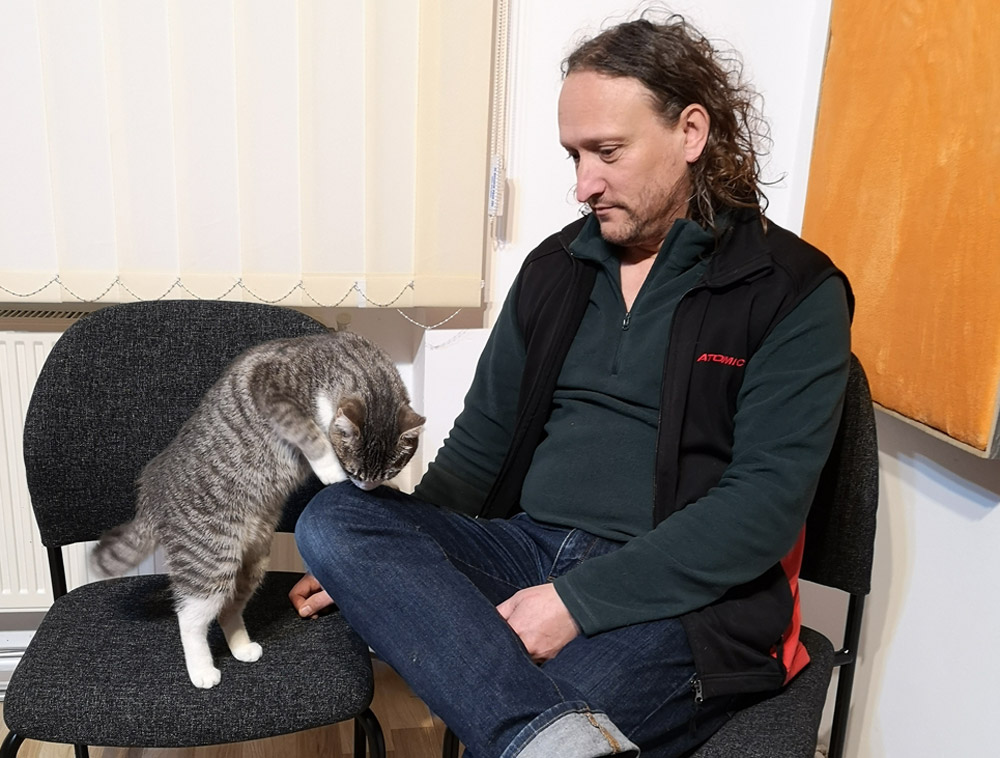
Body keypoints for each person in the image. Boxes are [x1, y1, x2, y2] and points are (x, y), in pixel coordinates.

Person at [290, 13, 852, 758]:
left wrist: (575, 604)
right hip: (526, 547)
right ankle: (547, 735)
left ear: (691, 132)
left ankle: (540, 732)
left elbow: (760, 511)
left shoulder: (793, 289)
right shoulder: (556, 268)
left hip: (684, 596)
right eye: (574, 155)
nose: (585, 184)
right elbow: (479, 448)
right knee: (336, 520)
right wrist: (385, 568)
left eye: (608, 152)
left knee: (549, 707)